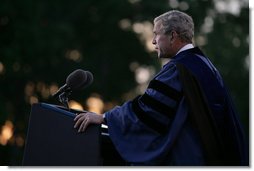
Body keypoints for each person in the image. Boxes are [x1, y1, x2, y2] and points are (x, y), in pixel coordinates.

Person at [74, 10, 248, 166]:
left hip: (186, 159)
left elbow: (148, 111)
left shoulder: (178, 69)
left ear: (172, 36)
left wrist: (105, 117)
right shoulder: (205, 65)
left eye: (156, 34)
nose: (152, 41)